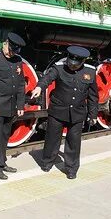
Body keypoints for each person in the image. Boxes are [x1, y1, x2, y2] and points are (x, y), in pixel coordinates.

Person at [31, 46, 98, 179]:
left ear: (83, 61)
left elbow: (93, 96)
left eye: (75, 65)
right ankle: (47, 162)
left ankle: (71, 169)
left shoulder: (90, 72)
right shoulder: (59, 67)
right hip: (58, 111)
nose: (72, 67)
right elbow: (47, 78)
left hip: (77, 113)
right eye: (70, 63)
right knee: (52, 139)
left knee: (74, 142)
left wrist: (93, 115)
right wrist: (39, 87)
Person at [0, 32, 26, 180]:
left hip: (10, 105)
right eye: (10, 50)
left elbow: (21, 83)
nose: (12, 54)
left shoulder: (17, 60)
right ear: (5, 44)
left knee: (4, 135)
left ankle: (1, 161)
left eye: (14, 52)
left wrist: (20, 104)